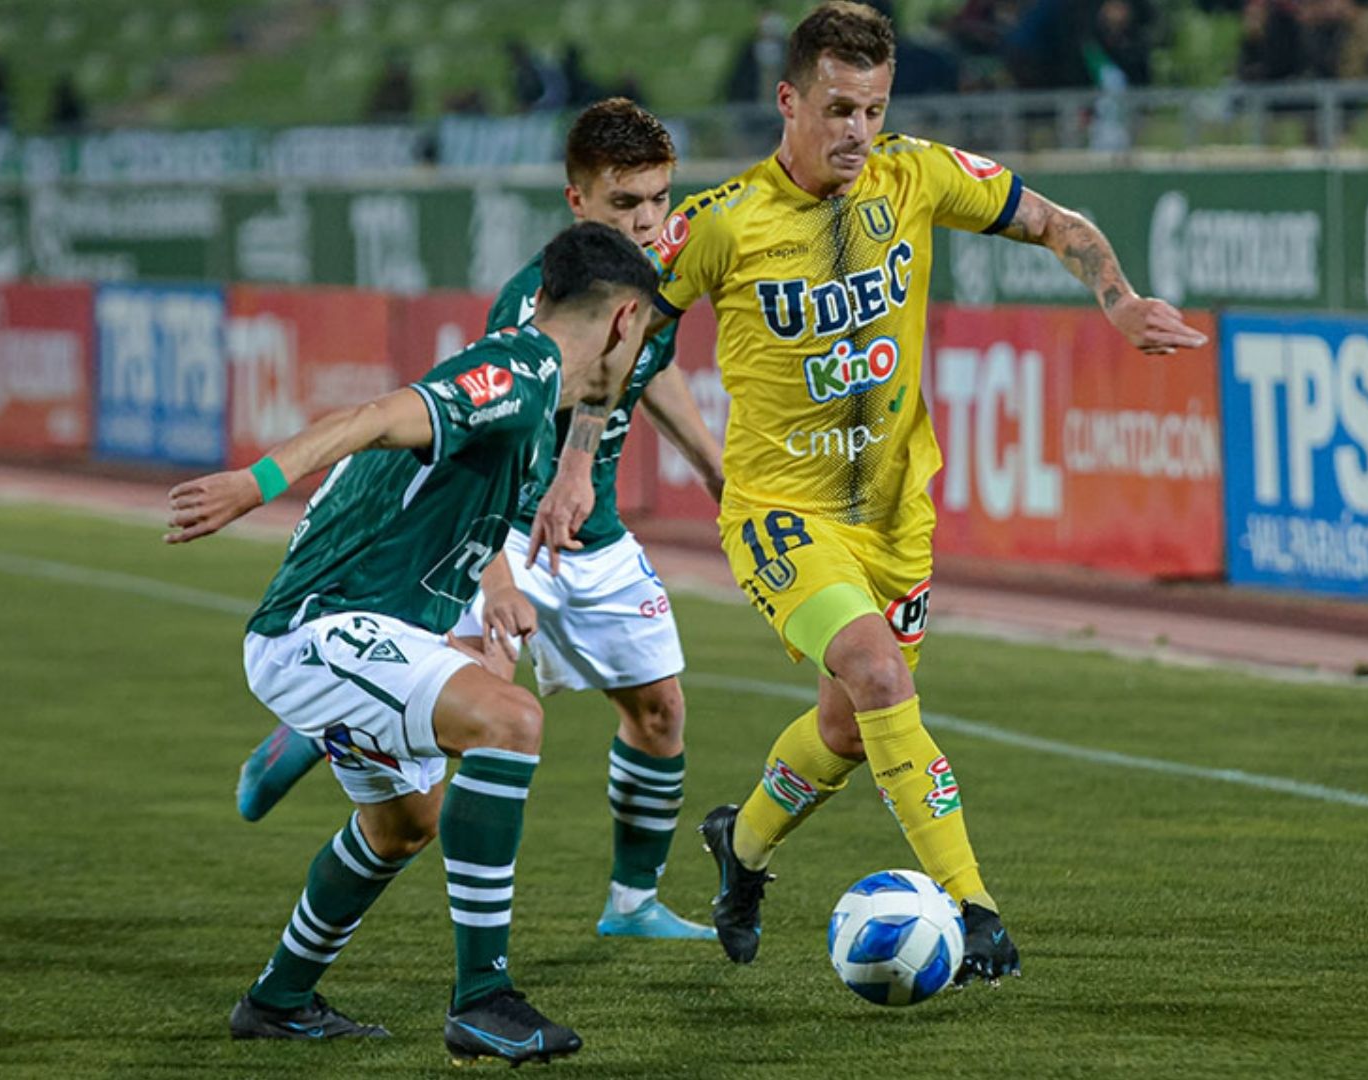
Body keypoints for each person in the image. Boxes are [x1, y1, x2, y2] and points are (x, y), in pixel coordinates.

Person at [526, 0, 1208, 986]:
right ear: (789, 100)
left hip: (897, 515)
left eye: (874, 110)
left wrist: (1118, 298)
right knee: (881, 678)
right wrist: (580, 457)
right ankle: (975, 911)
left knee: (847, 728)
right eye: (839, 108)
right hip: (780, 515)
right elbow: (623, 333)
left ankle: (742, 847)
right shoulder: (720, 224)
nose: (857, 131)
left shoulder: (920, 175)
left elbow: (1058, 222)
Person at [166, 221, 660, 1065]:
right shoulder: (519, 372)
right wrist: (256, 483)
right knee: (509, 717)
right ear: (623, 323)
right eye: (645, 331)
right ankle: (483, 999)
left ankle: (277, 1000)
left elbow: (461, 510)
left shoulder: (541, 400)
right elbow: (374, 415)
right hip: (319, 627)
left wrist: (498, 589)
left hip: (379, 626)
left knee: (402, 824)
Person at [234, 98, 728, 942]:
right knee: (481, 702)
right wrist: (501, 569)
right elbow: (508, 439)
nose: (648, 220)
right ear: (579, 203)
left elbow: (648, 371)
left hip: (594, 533)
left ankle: (632, 904)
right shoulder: (537, 301)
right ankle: (329, 725)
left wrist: (719, 474)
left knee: (660, 711)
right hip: (509, 526)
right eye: (625, 204)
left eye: (658, 200)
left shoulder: (655, 279)